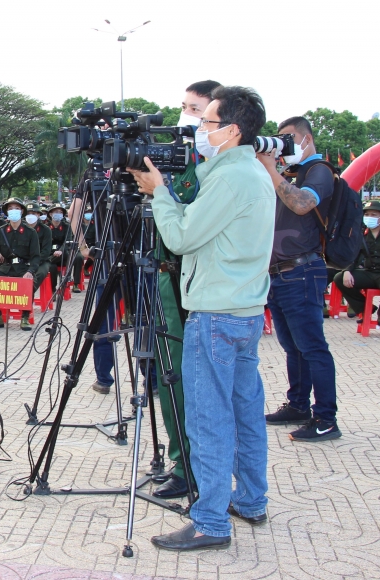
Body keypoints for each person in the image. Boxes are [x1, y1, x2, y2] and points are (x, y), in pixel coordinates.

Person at [129, 85, 274, 551]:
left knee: (209, 418)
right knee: (246, 411)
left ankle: (210, 521)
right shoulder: (248, 170)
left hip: (215, 314)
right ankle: (250, 499)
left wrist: (159, 196)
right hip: (245, 311)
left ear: (231, 130)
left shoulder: (230, 177)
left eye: (207, 122)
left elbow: (183, 237)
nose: (199, 131)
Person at [148, 79, 220, 500]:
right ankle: (181, 458)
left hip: (187, 279)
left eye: (196, 110)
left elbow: (187, 229)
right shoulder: (177, 160)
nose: (186, 117)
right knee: (163, 374)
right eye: (185, 107)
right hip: (162, 275)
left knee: (183, 376)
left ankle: (193, 466)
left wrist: (161, 193)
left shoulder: (210, 168)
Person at [258, 115, 341, 443]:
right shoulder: (290, 173)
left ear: (306, 139)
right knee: (292, 346)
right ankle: (297, 405)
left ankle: (326, 418)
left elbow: (303, 204)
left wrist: (271, 169)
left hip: (302, 269)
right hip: (280, 273)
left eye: (289, 140)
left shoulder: (319, 171)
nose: (283, 146)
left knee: (312, 347)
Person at [0, 196, 40, 332]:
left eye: (17, 209)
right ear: (7, 212)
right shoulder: (0, 231)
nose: (13, 211)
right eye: (10, 209)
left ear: (22, 212)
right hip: (7, 267)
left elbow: (36, 257)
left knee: (29, 284)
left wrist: (30, 272)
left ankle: (25, 317)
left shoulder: (30, 233)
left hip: (24, 267)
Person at [25, 202, 53, 300]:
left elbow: (46, 251)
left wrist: (34, 263)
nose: (30, 216)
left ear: (38, 215)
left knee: (39, 274)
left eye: (34, 213)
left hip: (41, 261)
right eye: (28, 213)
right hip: (24, 260)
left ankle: (27, 296)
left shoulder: (46, 230)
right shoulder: (21, 228)